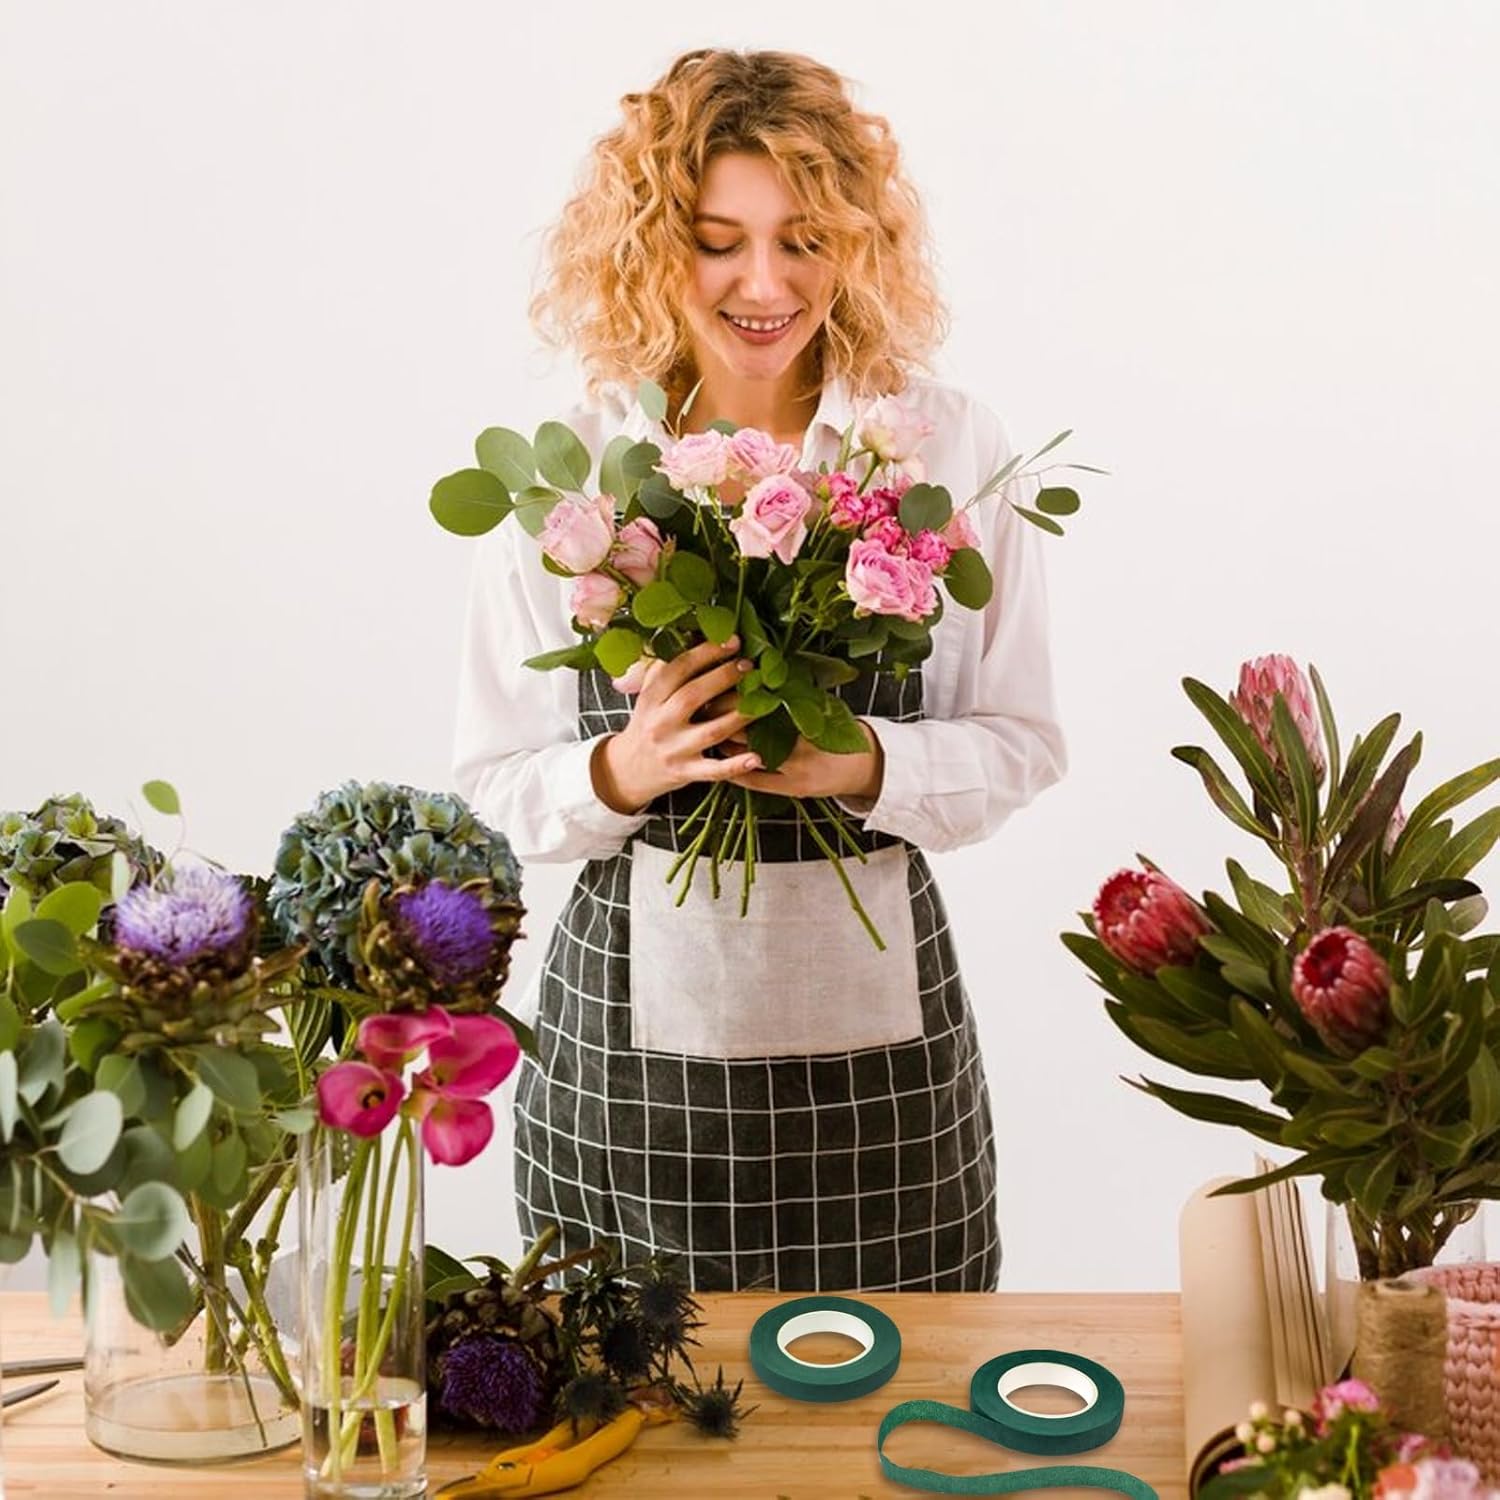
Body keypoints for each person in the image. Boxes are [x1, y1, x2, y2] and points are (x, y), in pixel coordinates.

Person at [453, 47, 1067, 1292]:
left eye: (804, 240)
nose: (766, 283)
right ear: (646, 249)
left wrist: (867, 763)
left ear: (857, 245)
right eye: (717, 242)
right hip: (631, 1097)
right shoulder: (575, 468)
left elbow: (1024, 740)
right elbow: (492, 781)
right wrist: (622, 771)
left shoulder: (946, 447)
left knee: (902, 1400)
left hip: (885, 1100)